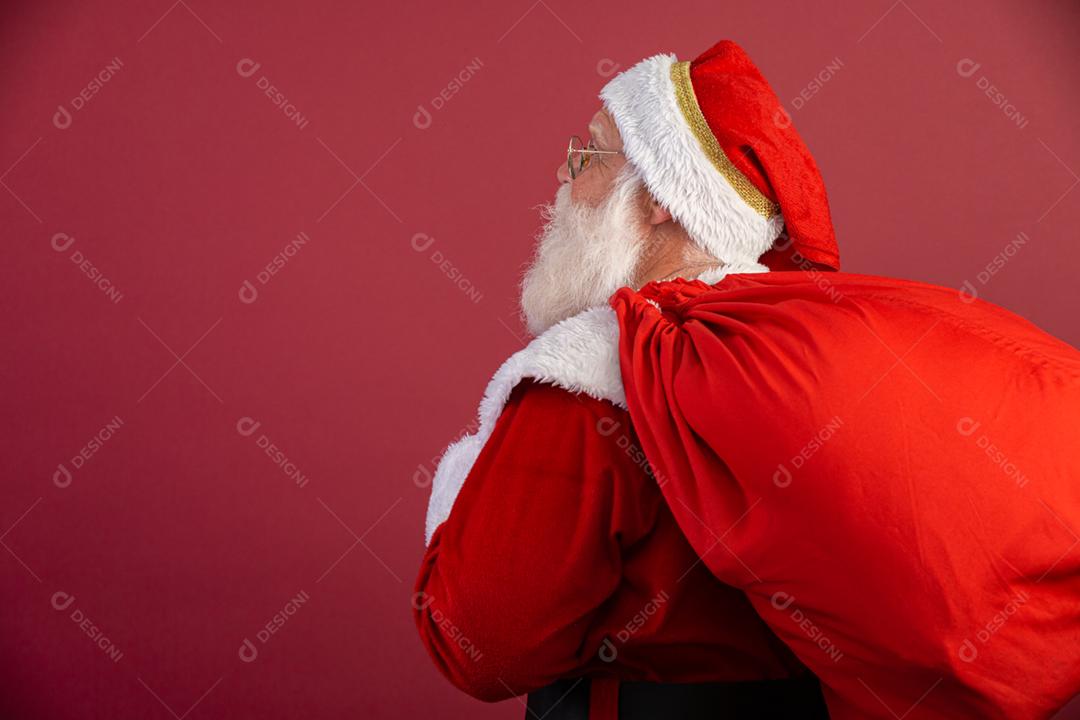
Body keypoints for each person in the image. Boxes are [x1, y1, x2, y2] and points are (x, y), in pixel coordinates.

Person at [414, 39, 1080, 719]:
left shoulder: (589, 375)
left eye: (589, 153)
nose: (564, 171)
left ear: (659, 198)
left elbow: (481, 648)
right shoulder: (802, 356)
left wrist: (459, 491)